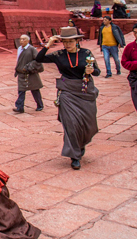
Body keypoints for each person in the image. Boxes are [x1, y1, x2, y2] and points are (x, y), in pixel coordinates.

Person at [36, 27, 100, 170]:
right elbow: (39, 59)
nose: (68, 44)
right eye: (65, 42)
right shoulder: (59, 54)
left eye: (71, 41)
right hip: (67, 92)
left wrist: (92, 71)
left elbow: (97, 71)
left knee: (89, 125)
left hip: (85, 91)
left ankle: (80, 144)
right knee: (71, 123)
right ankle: (74, 156)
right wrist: (48, 44)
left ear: (77, 41)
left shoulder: (86, 53)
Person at [14, 35, 44, 113]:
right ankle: (19, 107)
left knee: (35, 90)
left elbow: (38, 60)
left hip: (30, 73)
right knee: (21, 91)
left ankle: (40, 105)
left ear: (27, 41)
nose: (21, 41)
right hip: (21, 73)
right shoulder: (19, 49)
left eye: (23, 39)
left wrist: (29, 67)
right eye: (20, 39)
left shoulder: (32, 49)